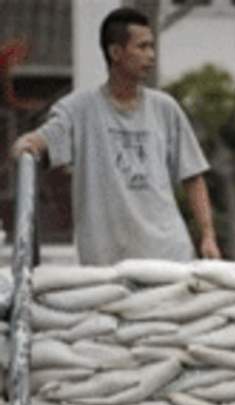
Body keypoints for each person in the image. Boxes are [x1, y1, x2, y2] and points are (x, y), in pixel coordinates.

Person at [8, 7, 220, 265]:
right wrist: (26, 148)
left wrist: (208, 235)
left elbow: (193, 176)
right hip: (108, 263)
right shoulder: (79, 110)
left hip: (168, 255)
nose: (150, 56)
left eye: (152, 47)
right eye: (142, 47)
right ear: (116, 52)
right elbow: (37, 142)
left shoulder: (165, 109)